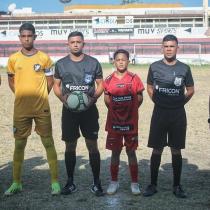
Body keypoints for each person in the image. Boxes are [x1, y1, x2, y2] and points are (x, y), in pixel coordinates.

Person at [5, 23, 60, 196]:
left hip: (41, 107)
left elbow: (50, 81)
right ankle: (16, 182)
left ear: (35, 37)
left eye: (30, 36)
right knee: (19, 144)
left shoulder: (44, 58)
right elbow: (11, 81)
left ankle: (55, 182)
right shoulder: (13, 59)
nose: (27, 38)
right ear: (19, 37)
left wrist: (41, 96)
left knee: (48, 142)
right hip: (21, 109)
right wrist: (22, 95)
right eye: (24, 36)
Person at [143, 34, 194, 198]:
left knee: (176, 150)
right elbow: (149, 86)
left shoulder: (184, 68)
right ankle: (152, 185)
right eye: (166, 46)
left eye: (172, 46)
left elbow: (190, 90)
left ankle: (177, 186)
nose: (169, 49)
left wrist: (180, 102)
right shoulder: (154, 67)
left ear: (177, 48)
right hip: (159, 113)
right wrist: (156, 99)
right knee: (157, 149)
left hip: (178, 114)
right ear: (162, 48)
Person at [53, 31, 104, 196]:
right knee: (70, 145)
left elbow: (100, 84)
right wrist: (63, 99)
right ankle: (70, 181)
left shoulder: (93, 63)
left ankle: (97, 182)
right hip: (69, 112)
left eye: (78, 42)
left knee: (92, 145)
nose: (75, 44)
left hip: (89, 111)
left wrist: (93, 98)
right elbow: (56, 85)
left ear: (83, 44)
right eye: (72, 42)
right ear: (68, 44)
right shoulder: (61, 64)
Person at [104, 49, 144, 195]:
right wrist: (117, 112)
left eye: (123, 59)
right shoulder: (108, 80)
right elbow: (107, 100)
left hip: (131, 123)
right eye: (118, 59)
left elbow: (139, 98)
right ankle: (114, 181)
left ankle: (134, 183)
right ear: (114, 61)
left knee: (131, 152)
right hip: (114, 123)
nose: (121, 61)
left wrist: (130, 111)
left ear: (128, 61)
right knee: (115, 153)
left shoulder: (134, 78)